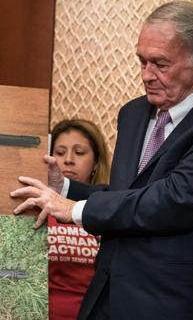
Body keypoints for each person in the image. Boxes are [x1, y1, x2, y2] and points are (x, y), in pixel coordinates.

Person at [10, 0, 193, 320]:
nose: (146, 75)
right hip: (109, 297)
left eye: (160, 64)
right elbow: (127, 193)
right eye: (141, 61)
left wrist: (74, 210)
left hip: (177, 304)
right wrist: (68, 187)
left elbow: (174, 200)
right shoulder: (132, 113)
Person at [47, 119, 110, 320]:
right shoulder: (36, 207)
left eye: (79, 152)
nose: (68, 160)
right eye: (59, 152)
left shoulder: (111, 210)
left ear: (95, 164)